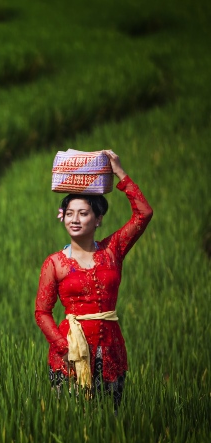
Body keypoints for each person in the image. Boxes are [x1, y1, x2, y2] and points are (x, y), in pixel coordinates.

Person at [34, 150, 153, 408]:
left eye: (83, 213)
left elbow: (143, 213)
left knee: (110, 422)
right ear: (62, 216)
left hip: (110, 351)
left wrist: (120, 172)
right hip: (70, 354)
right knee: (71, 423)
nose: (75, 219)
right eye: (70, 213)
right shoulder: (54, 263)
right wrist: (63, 348)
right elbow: (42, 312)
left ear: (98, 219)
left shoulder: (113, 250)